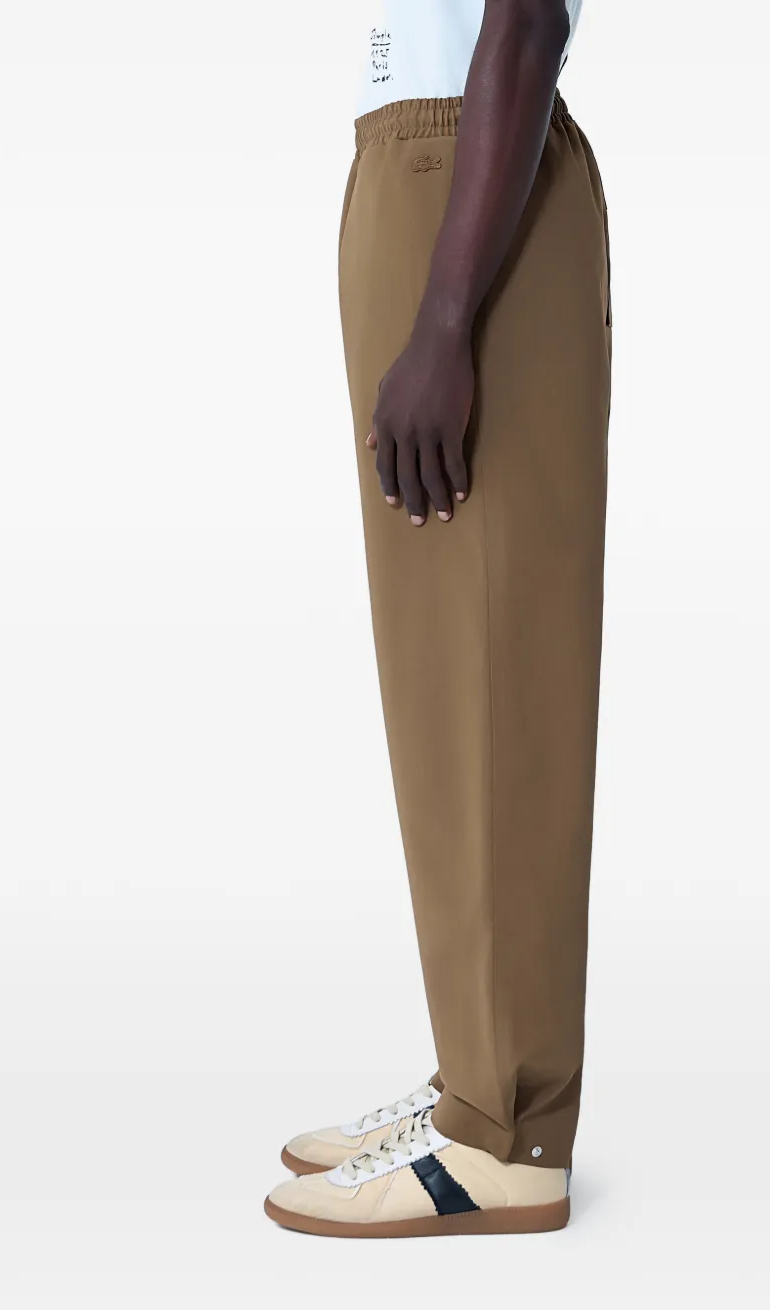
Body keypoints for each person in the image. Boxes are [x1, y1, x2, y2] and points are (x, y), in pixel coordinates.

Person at [265, 0, 611, 1238]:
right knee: (438, 669)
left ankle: (509, 1128)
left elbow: (527, 18)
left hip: (476, 181)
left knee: (500, 665)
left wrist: (446, 319)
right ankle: (474, 1065)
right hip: (409, 166)